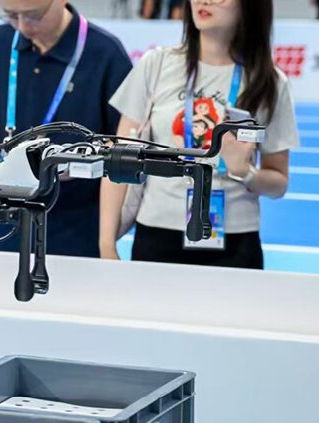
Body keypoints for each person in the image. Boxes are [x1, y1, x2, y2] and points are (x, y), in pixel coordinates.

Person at [100, 0, 300, 270]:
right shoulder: (156, 65)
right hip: (157, 234)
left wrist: (245, 172)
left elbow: (279, 183)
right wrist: (107, 246)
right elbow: (117, 163)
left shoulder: (269, 82)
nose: (204, 1)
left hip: (234, 242)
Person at [0, 0, 132, 257]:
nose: (22, 26)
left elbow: (123, 143)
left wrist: (80, 161)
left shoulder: (105, 53)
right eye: (11, 15)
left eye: (33, 16)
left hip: (73, 228)